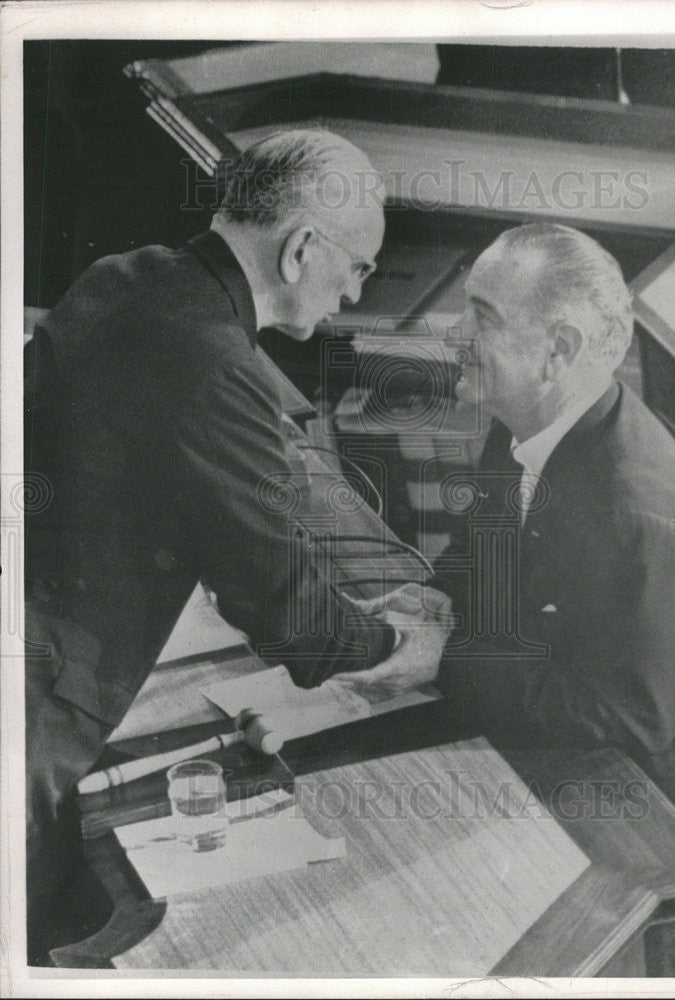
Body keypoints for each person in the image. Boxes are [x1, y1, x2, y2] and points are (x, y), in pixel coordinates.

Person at [23, 128, 447, 955]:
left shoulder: (127, 275)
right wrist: (403, 639)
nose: (355, 295)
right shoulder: (217, 365)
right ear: (299, 251)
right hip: (37, 710)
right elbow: (295, 626)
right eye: (357, 267)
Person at [339, 222, 675, 853]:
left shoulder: (639, 517)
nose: (454, 333)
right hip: (556, 739)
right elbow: (484, 546)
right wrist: (434, 599)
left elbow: (624, 719)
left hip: (651, 818)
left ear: (558, 351)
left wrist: (446, 656)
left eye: (482, 318)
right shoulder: (528, 419)